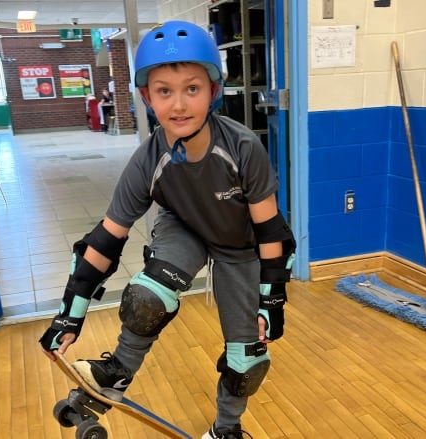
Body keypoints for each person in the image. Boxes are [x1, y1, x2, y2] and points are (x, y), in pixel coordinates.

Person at [39, 20, 295, 439]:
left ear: (213, 91)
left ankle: (227, 428)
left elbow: (271, 230)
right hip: (185, 228)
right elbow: (106, 238)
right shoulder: (148, 160)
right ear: (146, 97)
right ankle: (117, 372)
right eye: (164, 91)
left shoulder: (243, 147)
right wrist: (70, 315)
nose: (178, 105)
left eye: (192, 89)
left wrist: (274, 298)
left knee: (246, 358)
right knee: (148, 296)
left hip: (243, 245)